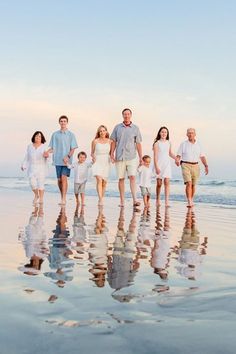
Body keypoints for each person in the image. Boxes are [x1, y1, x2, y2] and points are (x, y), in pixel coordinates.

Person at [110, 108, 142, 209]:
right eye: (125, 114)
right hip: (119, 157)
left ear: (131, 115)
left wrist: (141, 157)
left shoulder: (135, 128)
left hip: (131, 157)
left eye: (128, 114)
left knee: (132, 177)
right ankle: (122, 201)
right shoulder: (117, 127)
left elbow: (138, 143)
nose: (126, 116)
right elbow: (114, 141)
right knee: (121, 179)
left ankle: (135, 200)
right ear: (122, 115)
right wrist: (112, 153)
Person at [44, 115, 78, 205]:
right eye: (61, 121)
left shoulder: (71, 135)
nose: (63, 122)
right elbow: (52, 148)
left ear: (67, 122)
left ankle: (64, 198)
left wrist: (68, 157)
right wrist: (47, 152)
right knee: (59, 180)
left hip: (67, 161)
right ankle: (61, 195)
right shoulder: (55, 134)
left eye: (64, 121)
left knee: (64, 178)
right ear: (59, 122)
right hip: (57, 160)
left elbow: (73, 148)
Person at [175, 128, 209, 207]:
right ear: (187, 134)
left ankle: (191, 199)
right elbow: (178, 155)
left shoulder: (199, 145)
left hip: (196, 165)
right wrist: (177, 160)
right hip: (185, 164)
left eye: (192, 133)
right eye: (189, 133)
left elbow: (202, 156)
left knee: (193, 185)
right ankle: (189, 201)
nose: (190, 134)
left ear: (195, 134)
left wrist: (206, 166)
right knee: (189, 183)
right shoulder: (183, 144)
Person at [21, 131, 48, 204]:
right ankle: (36, 195)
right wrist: (24, 165)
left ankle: (41, 199)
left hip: (41, 167)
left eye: (39, 136)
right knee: (32, 183)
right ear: (34, 137)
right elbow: (27, 157)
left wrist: (47, 156)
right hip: (32, 167)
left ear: (42, 138)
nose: (38, 137)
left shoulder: (44, 146)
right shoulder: (30, 146)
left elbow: (48, 156)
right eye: (36, 136)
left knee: (41, 184)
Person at [153, 126, 176, 207]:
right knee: (159, 184)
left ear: (167, 134)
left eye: (165, 132)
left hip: (167, 164)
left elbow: (170, 153)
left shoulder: (169, 142)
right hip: (159, 164)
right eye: (162, 132)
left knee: (167, 182)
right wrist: (156, 167)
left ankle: (166, 202)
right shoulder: (157, 143)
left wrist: (176, 158)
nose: (164, 133)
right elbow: (155, 156)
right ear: (159, 133)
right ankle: (157, 200)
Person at [91, 125, 111, 206]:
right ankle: (100, 199)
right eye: (100, 131)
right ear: (98, 132)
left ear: (106, 132)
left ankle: (101, 198)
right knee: (99, 179)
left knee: (104, 182)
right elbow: (92, 153)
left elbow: (111, 153)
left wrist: (112, 159)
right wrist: (93, 158)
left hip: (106, 161)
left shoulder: (110, 141)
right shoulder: (95, 141)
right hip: (97, 161)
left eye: (103, 130)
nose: (102, 132)